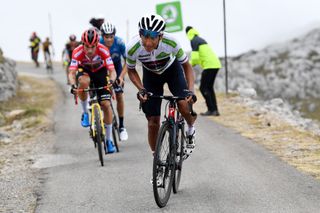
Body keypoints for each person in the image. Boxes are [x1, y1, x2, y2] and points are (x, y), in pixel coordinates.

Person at [125, 14, 197, 160]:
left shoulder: (172, 43)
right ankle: (156, 160)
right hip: (151, 76)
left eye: (152, 37)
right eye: (144, 36)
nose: (148, 42)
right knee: (152, 122)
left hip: (172, 71)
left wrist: (191, 91)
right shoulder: (132, 48)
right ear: (140, 34)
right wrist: (141, 89)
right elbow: (131, 70)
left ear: (160, 36)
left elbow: (187, 67)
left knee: (183, 105)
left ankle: (190, 129)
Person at [68, 29, 117, 153]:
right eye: (87, 46)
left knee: (106, 105)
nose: (89, 50)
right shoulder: (77, 51)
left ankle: (109, 140)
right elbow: (72, 72)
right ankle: (85, 112)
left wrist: (111, 81)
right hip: (85, 71)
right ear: (82, 44)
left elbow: (112, 71)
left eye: (93, 47)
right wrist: (73, 85)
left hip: (100, 72)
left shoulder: (103, 50)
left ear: (97, 44)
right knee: (83, 82)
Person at [100, 21, 128, 141]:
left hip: (117, 69)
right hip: (103, 69)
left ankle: (122, 126)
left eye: (111, 36)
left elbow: (128, 62)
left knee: (119, 94)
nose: (109, 39)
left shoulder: (120, 43)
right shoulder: (98, 44)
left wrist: (121, 76)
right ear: (102, 36)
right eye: (106, 37)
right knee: (103, 97)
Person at [185, 26, 222, 116]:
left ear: (187, 33)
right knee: (209, 88)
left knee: (203, 88)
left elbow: (195, 58)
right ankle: (215, 110)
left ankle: (211, 109)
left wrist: (187, 65)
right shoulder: (200, 39)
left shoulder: (194, 40)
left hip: (209, 66)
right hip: (215, 64)